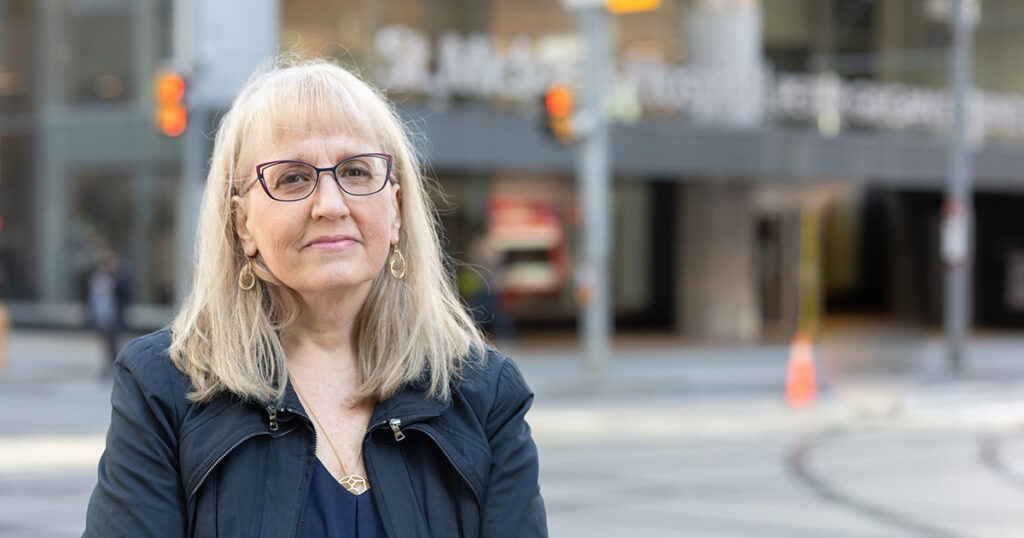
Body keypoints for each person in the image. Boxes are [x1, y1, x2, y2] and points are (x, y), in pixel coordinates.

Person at [84, 58, 547, 537]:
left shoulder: (485, 393)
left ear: (396, 211)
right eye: (292, 178)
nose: (330, 205)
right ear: (243, 224)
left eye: (356, 171)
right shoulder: (163, 388)